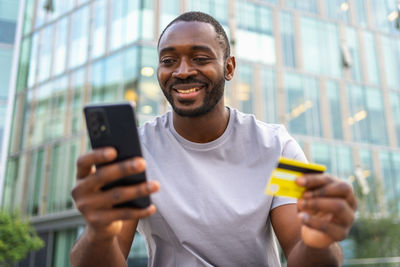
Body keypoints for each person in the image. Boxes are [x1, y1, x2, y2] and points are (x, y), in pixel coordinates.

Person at [70, 11, 356, 267]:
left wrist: (320, 240)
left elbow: (301, 246)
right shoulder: (137, 150)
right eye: (169, 60)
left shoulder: (279, 145)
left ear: (229, 67)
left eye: (200, 58)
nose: (182, 71)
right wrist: (98, 233)